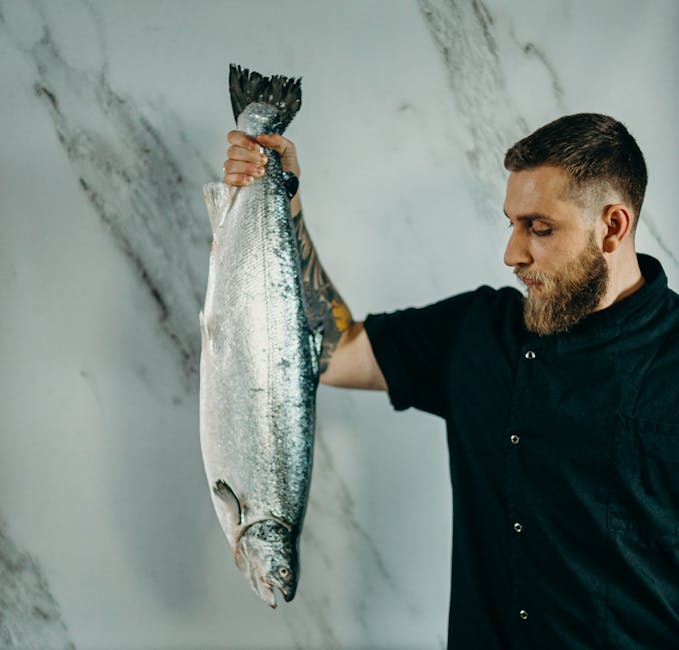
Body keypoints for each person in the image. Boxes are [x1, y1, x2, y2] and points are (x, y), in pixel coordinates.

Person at [223, 113, 679, 649]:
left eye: (539, 227)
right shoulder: (476, 334)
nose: (512, 253)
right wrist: (282, 197)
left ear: (613, 226)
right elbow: (330, 351)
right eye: (511, 223)